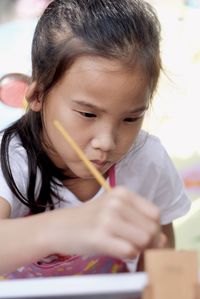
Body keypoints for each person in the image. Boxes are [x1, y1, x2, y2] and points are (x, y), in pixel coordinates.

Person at [0, 0, 190, 278]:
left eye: (130, 118)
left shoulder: (147, 160)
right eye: (88, 114)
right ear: (38, 96)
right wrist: (66, 227)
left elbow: (161, 273)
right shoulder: (12, 159)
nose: (107, 142)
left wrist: (159, 261)